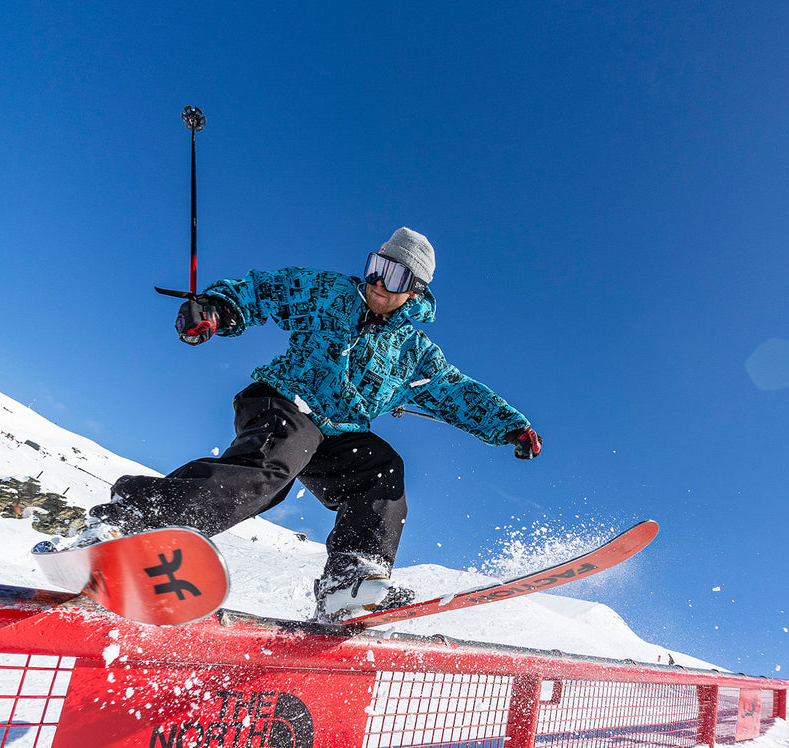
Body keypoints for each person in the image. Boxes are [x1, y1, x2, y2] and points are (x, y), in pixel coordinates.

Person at [86, 227, 542, 620]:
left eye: (396, 277)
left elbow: (455, 391)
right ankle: (135, 519)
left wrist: (509, 426)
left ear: (415, 291)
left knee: (381, 468)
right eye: (376, 267)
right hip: (285, 401)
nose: (379, 283)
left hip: (336, 434)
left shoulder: (415, 354)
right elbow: (269, 290)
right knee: (277, 463)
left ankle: (349, 580)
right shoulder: (330, 293)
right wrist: (217, 308)